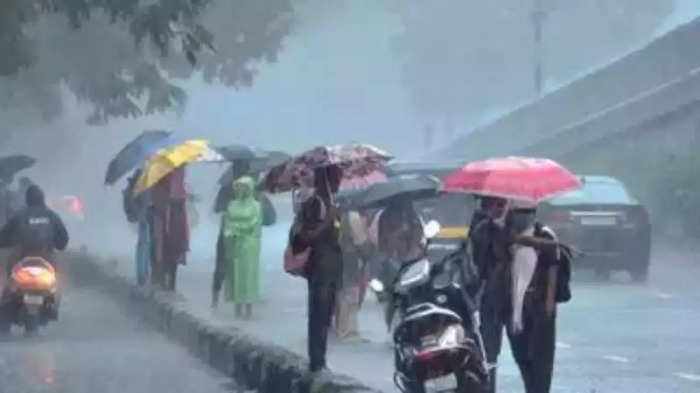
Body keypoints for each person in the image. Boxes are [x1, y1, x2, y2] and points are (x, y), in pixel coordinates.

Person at [504, 205, 560, 393]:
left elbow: (553, 269)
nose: (521, 217)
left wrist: (549, 304)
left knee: (541, 361)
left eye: (526, 212)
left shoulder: (544, 235)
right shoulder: (506, 236)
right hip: (516, 308)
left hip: (539, 306)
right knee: (522, 356)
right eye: (517, 212)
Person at [294, 165, 343, 373]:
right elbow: (307, 236)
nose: (339, 182)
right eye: (336, 178)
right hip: (320, 264)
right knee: (318, 314)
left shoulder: (331, 203)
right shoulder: (315, 203)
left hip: (330, 264)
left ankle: (320, 360)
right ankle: (316, 362)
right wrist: (329, 220)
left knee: (326, 316)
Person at [0, 185, 69, 272]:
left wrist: (8, 243)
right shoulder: (52, 215)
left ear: (27, 199)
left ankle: (9, 284)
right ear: (42, 198)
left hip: (22, 259)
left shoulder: (19, 215)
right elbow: (63, 240)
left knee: (11, 274)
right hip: (47, 260)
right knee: (56, 277)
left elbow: (3, 236)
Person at [212, 160, 251, 307]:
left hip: (227, 230)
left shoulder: (226, 188)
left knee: (222, 265)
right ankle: (240, 304)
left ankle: (215, 300)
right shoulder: (249, 190)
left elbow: (217, 208)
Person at [222, 176, 262, 318]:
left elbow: (253, 224)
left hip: (249, 246)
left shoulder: (256, 206)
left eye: (243, 188)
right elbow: (227, 223)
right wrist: (230, 233)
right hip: (234, 244)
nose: (239, 191)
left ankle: (249, 309)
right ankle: (237, 309)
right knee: (235, 275)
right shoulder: (232, 205)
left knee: (248, 275)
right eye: (237, 188)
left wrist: (236, 228)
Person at [335, 209, 372, 340]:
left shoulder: (337, 213)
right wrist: (368, 252)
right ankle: (348, 332)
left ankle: (342, 328)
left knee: (342, 293)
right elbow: (360, 241)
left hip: (335, 258)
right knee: (350, 295)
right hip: (350, 259)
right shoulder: (353, 217)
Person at [152, 166, 189, 291]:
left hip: (172, 214)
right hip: (170, 214)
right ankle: (167, 282)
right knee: (168, 250)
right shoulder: (175, 173)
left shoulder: (166, 172)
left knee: (169, 250)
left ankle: (167, 282)